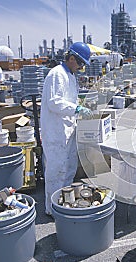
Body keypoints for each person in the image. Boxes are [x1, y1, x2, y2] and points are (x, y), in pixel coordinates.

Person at [41, 42, 93, 215]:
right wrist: (76, 109)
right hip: (56, 132)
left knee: (69, 168)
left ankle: (65, 203)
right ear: (71, 58)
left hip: (68, 129)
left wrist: (79, 107)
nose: (82, 67)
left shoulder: (70, 75)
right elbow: (54, 102)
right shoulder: (57, 74)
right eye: (81, 63)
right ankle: (52, 208)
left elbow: (70, 100)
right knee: (56, 172)